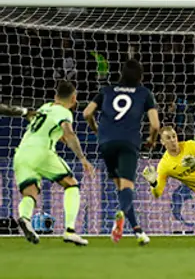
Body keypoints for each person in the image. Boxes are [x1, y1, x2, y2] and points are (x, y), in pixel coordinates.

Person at [83, 59, 160, 246]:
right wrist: (151, 140)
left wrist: (96, 130)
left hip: (106, 142)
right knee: (127, 187)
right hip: (128, 143)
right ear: (140, 76)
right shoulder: (144, 93)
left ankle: (137, 230)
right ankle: (121, 213)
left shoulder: (106, 91)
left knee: (120, 188)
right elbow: (155, 124)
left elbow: (87, 113)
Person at [13, 80, 94, 246]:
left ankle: (25, 218)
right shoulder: (64, 112)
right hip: (41, 152)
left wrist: (62, 138)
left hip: (21, 154)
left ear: (55, 96)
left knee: (30, 193)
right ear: (74, 99)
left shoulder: (45, 107)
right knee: (71, 184)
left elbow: (52, 131)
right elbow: (69, 134)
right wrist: (82, 159)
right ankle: (70, 231)